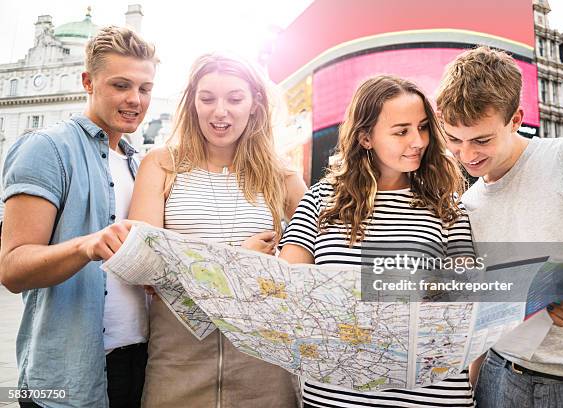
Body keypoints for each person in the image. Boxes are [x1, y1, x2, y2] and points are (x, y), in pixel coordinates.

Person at [279, 75, 475, 407]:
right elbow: (287, 290)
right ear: (366, 137)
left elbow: (468, 298)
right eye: (401, 131)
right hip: (339, 397)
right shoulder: (318, 201)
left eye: (423, 127)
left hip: (430, 397)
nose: (418, 141)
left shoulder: (448, 208)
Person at [436, 46, 563, 408]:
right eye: (454, 140)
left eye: (482, 140)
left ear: (515, 119)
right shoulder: (468, 205)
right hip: (498, 375)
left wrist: (554, 282)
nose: (467, 155)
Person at [128, 52, 306, 407]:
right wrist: (238, 260)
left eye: (234, 99)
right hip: (178, 359)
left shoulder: (282, 175)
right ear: (192, 102)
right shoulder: (162, 164)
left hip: (266, 365)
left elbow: (310, 267)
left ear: (255, 104)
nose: (219, 111)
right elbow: (143, 264)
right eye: (207, 98)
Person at [0, 26, 157, 407]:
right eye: (121, 85)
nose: (135, 100)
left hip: (141, 361)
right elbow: (12, 268)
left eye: (145, 88)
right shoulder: (46, 147)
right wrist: (87, 245)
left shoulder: (142, 164)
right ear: (87, 81)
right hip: (66, 373)